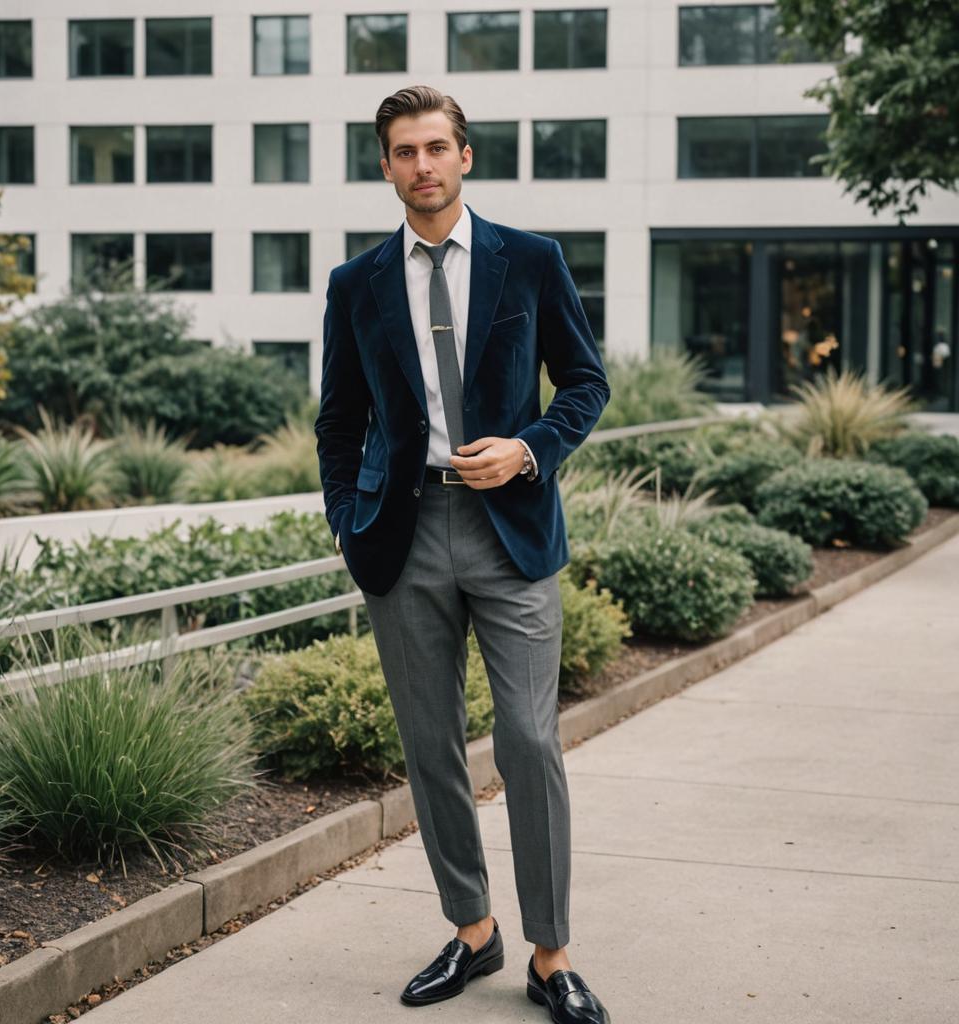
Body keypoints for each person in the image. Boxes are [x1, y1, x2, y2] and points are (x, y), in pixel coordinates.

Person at [315, 84, 611, 1024]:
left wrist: (530, 448)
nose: (422, 166)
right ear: (386, 165)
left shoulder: (530, 261)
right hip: (403, 540)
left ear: (465, 156)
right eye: (404, 151)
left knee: (528, 739)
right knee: (430, 745)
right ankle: (473, 932)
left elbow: (586, 383)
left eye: (437, 147)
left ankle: (551, 954)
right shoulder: (355, 283)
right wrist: (345, 520)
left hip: (511, 530)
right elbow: (339, 420)